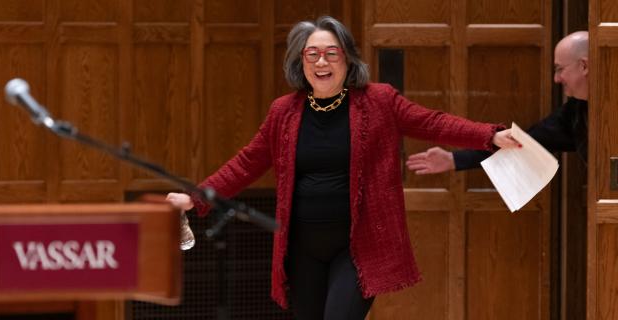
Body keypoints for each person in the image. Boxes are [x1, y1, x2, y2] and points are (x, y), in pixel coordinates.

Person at [166, 16, 519, 319]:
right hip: (302, 249)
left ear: (347, 60)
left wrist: (490, 136)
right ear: (300, 62)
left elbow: (434, 123)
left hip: (356, 247)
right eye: (313, 54)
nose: (322, 62)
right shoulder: (283, 112)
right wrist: (194, 198)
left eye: (332, 53)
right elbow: (245, 164)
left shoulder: (378, 101)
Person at [406, 31, 588, 174]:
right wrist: (454, 159)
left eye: (559, 69)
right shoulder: (574, 111)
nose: (556, 79)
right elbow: (522, 143)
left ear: (584, 66)